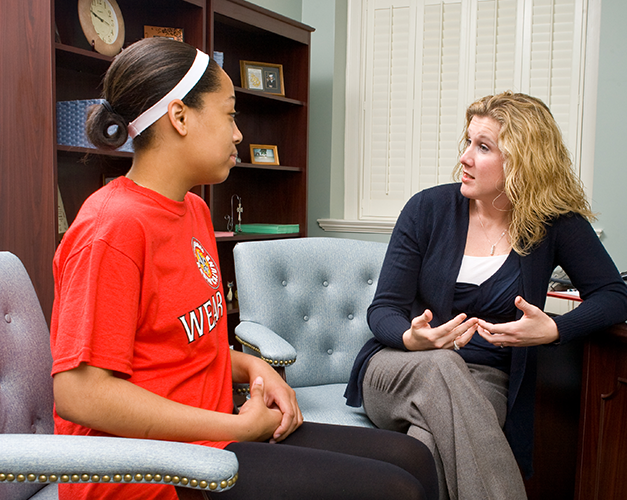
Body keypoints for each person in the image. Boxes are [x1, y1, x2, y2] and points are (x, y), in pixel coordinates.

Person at [50, 37, 438, 500]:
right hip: (150, 470)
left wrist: (253, 366)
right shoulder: (111, 229)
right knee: (396, 490)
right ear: (180, 117)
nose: (238, 134)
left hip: (215, 436)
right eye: (230, 113)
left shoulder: (193, 210)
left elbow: (174, 352)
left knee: (414, 459)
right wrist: (236, 424)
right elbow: (80, 393)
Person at [345, 91, 627, 500]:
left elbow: (613, 296)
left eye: (482, 147)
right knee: (442, 363)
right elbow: (383, 309)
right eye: (468, 143)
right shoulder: (426, 209)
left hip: (485, 382)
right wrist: (412, 338)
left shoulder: (556, 223)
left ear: (521, 161)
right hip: (399, 369)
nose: (464, 157)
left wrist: (554, 329)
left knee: (425, 451)